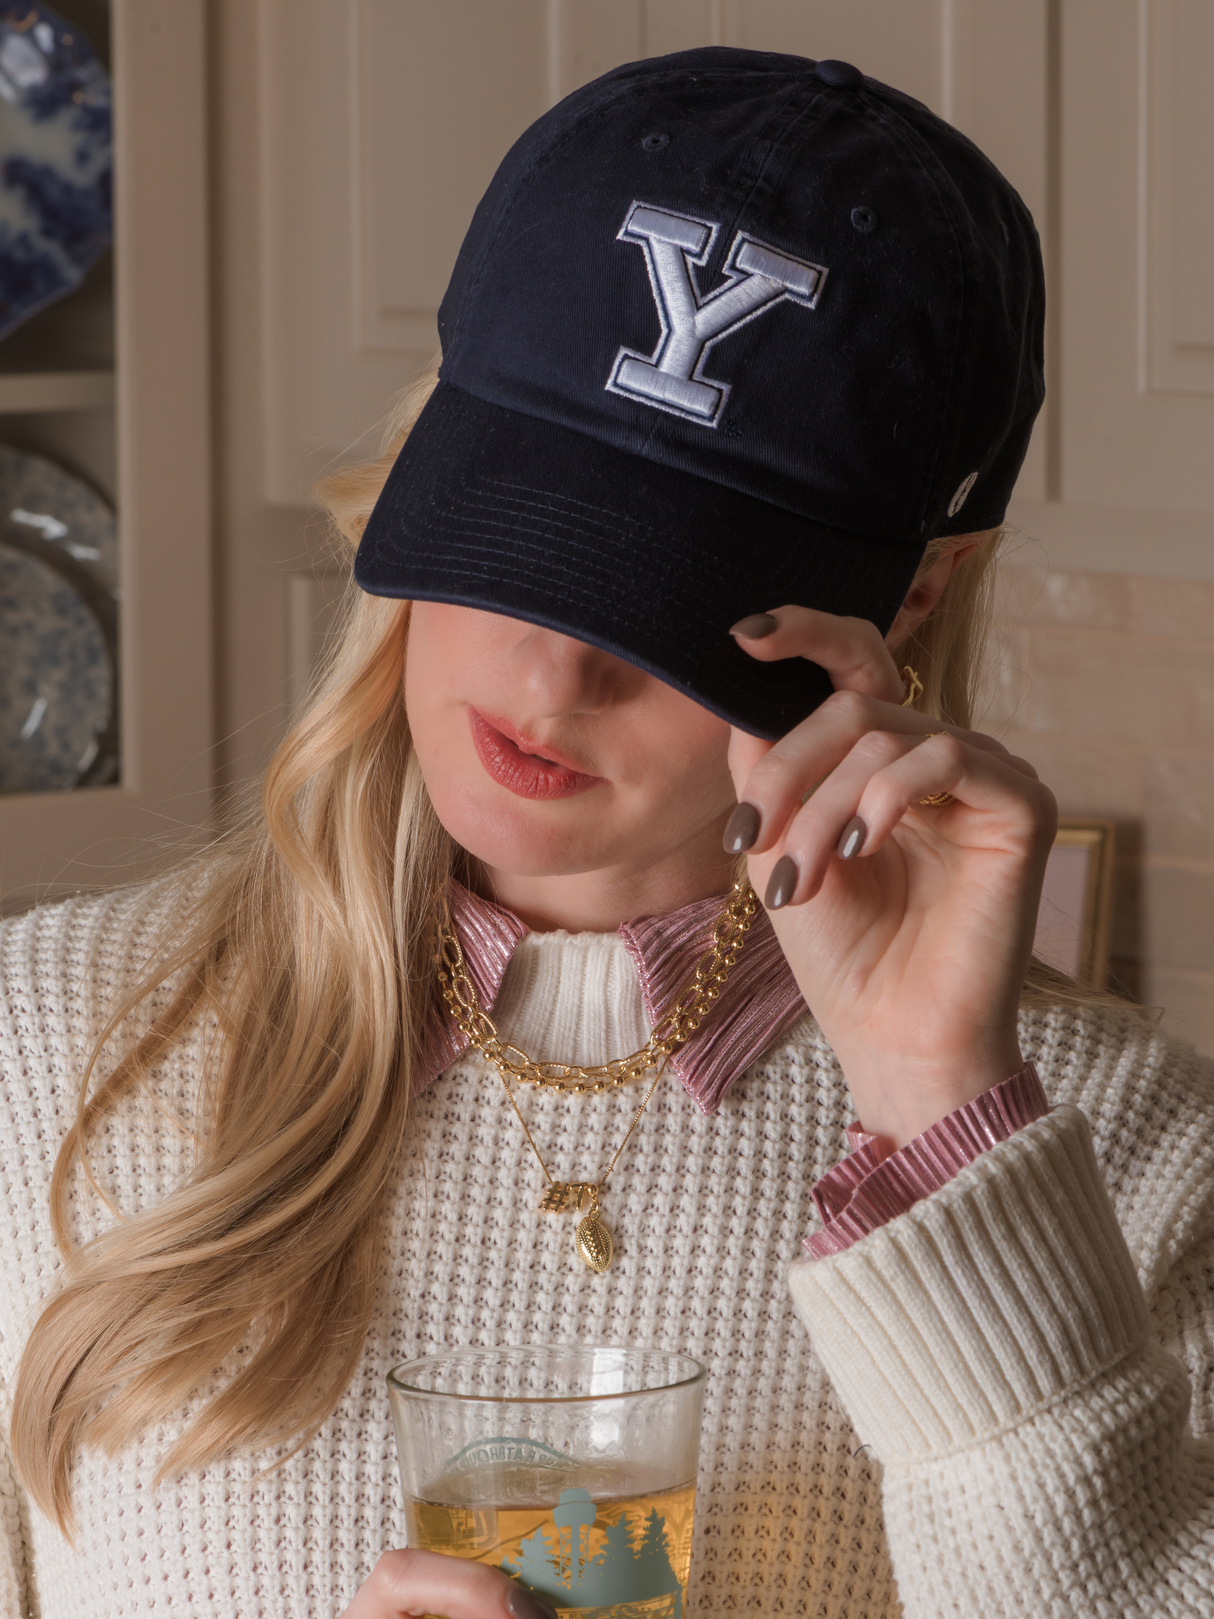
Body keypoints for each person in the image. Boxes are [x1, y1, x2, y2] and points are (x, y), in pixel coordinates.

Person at [2, 44, 1213, 1619]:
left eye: (671, 595)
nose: (553, 669)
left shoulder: (1128, 1159)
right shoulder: (42, 1049)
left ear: (912, 591)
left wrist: (934, 1112)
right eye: (520, 531)